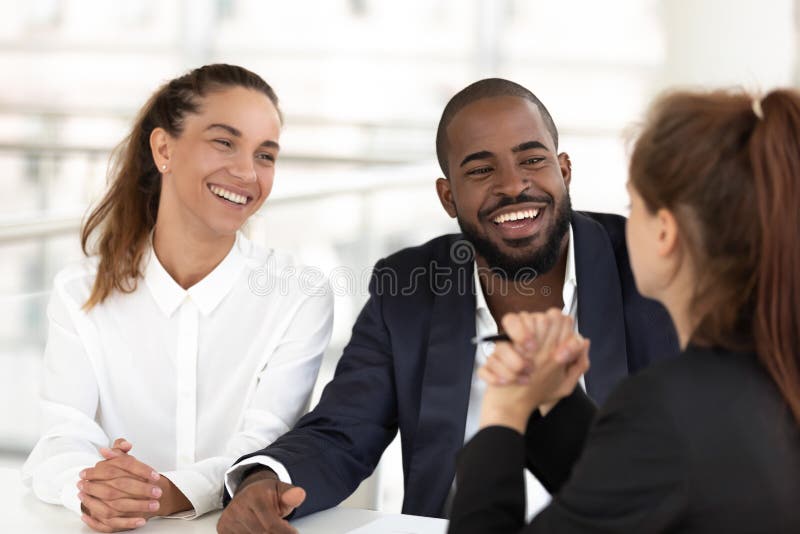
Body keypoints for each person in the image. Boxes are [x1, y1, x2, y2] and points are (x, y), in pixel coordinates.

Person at [217, 78, 679, 534]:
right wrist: (266, 480)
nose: (514, 185)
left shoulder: (650, 268)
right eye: (481, 170)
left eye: (532, 160)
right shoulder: (407, 287)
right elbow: (344, 429)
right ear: (448, 196)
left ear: (564, 170)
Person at [448, 88, 800, 533]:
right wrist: (554, 400)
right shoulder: (767, 372)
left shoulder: (670, 407)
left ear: (665, 233)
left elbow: (662, 452)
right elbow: (641, 483)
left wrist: (502, 415)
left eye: (635, 207)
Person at [21, 64, 333, 532]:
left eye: (265, 155)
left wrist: (161, 493)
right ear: (164, 148)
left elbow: (264, 443)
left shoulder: (299, 295)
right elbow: (62, 437)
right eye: (224, 142)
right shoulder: (79, 291)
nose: (248, 172)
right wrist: (92, 488)